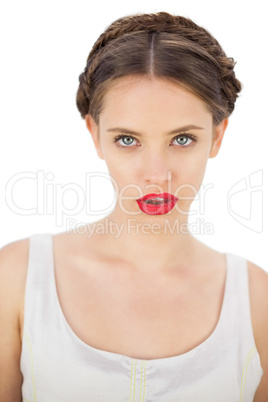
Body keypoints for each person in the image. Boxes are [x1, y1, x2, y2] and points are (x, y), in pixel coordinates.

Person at [0, 11, 267, 402]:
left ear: (217, 136)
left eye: (182, 139)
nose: (157, 175)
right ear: (95, 135)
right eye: (127, 139)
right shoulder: (17, 278)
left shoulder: (259, 300)